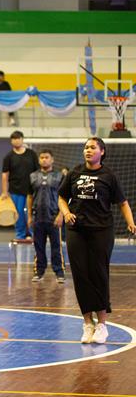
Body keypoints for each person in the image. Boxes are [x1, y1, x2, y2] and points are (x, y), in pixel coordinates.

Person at [58, 137, 136, 344]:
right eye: (86, 147)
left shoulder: (108, 176)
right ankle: (87, 323)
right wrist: (66, 213)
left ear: (102, 151)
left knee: (99, 274)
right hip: (76, 230)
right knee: (81, 275)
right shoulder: (74, 173)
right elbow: (62, 197)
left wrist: (131, 223)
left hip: (101, 230)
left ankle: (102, 325)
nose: (88, 150)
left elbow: (122, 202)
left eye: (92, 147)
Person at [27, 149, 65, 283]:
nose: (44, 159)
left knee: (56, 247)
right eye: (42, 157)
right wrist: (30, 216)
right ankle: (39, 272)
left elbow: (64, 197)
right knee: (38, 247)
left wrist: (61, 215)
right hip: (38, 218)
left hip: (54, 217)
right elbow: (30, 196)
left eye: (47, 157)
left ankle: (59, 273)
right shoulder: (32, 176)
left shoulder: (60, 176)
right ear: (39, 160)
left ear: (52, 159)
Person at [1, 131, 39, 240]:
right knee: (18, 213)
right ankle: (20, 234)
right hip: (16, 190)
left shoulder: (31, 154)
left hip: (31, 190)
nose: (16, 140)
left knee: (32, 212)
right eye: (14, 138)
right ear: (11, 141)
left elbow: (37, 171)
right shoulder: (8, 157)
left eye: (18, 138)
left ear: (22, 139)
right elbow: (4, 175)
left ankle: (32, 233)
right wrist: (4, 191)